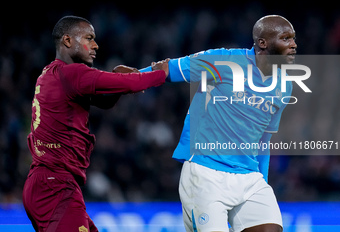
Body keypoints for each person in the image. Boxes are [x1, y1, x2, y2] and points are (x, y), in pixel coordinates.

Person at [141, 15, 297, 232]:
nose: (293, 45)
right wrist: (120, 82)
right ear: (263, 43)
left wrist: (263, 181)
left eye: (293, 39)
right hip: (207, 174)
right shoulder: (224, 61)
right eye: (286, 38)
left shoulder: (284, 85)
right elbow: (167, 70)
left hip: (250, 177)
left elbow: (264, 140)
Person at [22, 16, 169, 232]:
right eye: (89, 38)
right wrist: (161, 72)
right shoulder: (73, 73)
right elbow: (130, 83)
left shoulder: (49, 75)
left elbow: (104, 100)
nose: (95, 45)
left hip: (45, 183)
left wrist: (118, 87)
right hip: (55, 185)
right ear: (68, 40)